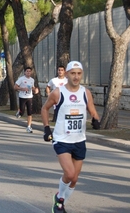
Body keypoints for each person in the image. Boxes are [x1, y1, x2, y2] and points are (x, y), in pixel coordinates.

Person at [41, 61, 100, 213]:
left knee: (74, 179)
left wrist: (95, 119)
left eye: (79, 73)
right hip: (61, 140)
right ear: (66, 74)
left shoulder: (85, 93)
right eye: (73, 73)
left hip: (79, 140)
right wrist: (47, 129)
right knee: (70, 173)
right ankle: (59, 199)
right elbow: (45, 108)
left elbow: (92, 110)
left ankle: (61, 204)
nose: (76, 76)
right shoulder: (58, 93)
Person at [14, 67, 39, 133]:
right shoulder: (21, 79)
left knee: (29, 113)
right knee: (22, 112)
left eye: (29, 71)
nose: (28, 72)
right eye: (27, 71)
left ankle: (28, 127)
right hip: (22, 97)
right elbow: (15, 87)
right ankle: (19, 112)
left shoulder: (32, 80)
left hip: (29, 97)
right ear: (25, 72)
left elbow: (33, 87)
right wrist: (22, 89)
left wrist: (35, 90)